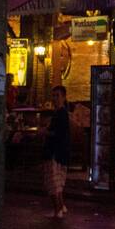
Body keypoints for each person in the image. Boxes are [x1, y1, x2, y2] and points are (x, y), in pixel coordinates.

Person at [43, 85, 71, 219]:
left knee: (53, 182)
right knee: (58, 182)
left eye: (57, 96)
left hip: (55, 152)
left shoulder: (61, 114)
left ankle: (58, 209)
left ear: (64, 97)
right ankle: (61, 207)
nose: (54, 99)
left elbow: (59, 133)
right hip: (59, 152)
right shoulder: (60, 113)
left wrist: (45, 132)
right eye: (53, 96)